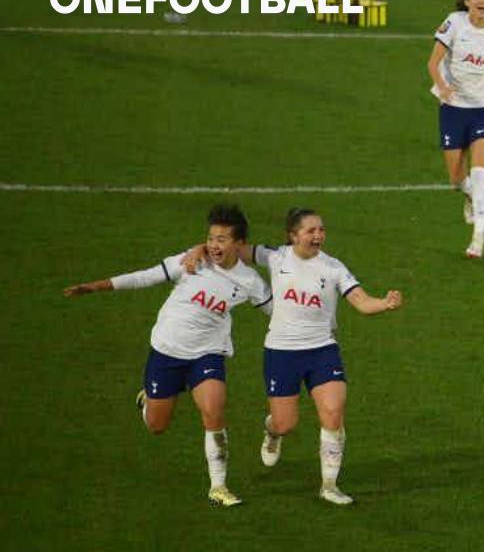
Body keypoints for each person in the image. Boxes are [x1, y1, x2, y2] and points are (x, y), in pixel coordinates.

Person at [183, 207, 402, 505]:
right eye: (311, 230)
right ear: (293, 235)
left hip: (322, 350)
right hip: (282, 353)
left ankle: (329, 486)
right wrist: (198, 249)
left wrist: (384, 303)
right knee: (285, 423)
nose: (318, 235)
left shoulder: (334, 267)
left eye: (321, 230)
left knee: (334, 414)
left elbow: (361, 302)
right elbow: (230, 249)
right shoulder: (275, 256)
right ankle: (272, 431)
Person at [62, 204, 272, 507]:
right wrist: (95, 287)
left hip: (207, 354)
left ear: (239, 244)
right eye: (210, 238)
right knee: (157, 426)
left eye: (222, 239)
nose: (214, 245)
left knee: (214, 410)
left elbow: (275, 311)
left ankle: (218, 486)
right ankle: (147, 399)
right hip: (167, 352)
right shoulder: (190, 261)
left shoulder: (250, 281)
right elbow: (145, 277)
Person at [427, 0, 484, 258]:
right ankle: (469, 195)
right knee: (456, 177)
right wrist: (443, 87)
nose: (481, 1)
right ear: (467, 1)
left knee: (480, 173)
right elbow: (432, 62)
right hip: (453, 108)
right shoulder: (454, 23)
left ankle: (478, 238)